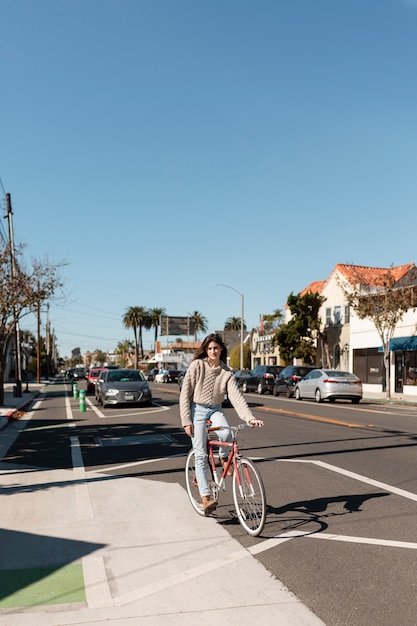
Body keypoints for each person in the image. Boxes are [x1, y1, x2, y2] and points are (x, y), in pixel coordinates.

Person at [180, 333, 264, 516]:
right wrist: (186, 421)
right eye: (209, 348)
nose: (212, 351)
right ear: (206, 350)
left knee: (227, 434)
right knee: (201, 454)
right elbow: (185, 394)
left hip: (216, 408)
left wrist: (249, 418)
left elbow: (236, 397)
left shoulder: (226, 372)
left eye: (216, 348)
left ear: (221, 350)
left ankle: (224, 457)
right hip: (198, 410)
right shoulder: (197, 366)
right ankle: (205, 496)